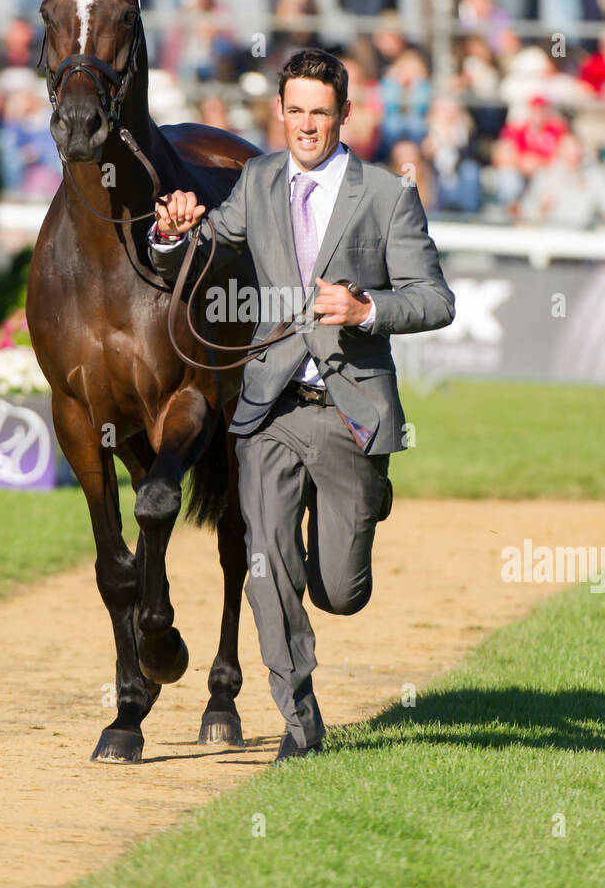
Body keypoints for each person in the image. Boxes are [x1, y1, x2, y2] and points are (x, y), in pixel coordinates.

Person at [148, 48, 455, 762]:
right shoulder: (256, 181)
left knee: (339, 590)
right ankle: (299, 719)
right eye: (295, 111)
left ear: (343, 115)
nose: (306, 124)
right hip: (269, 408)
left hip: (348, 411)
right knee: (266, 562)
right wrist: (174, 227)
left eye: (320, 111)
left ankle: (361, 502)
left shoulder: (386, 195)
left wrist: (365, 306)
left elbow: (435, 299)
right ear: (278, 113)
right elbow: (205, 247)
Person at [519, 132, 605, 229]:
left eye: (576, 146)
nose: (572, 152)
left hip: (584, 237)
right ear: (559, 150)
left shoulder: (595, 176)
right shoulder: (545, 176)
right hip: (550, 237)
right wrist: (541, 209)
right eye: (567, 147)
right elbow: (526, 215)